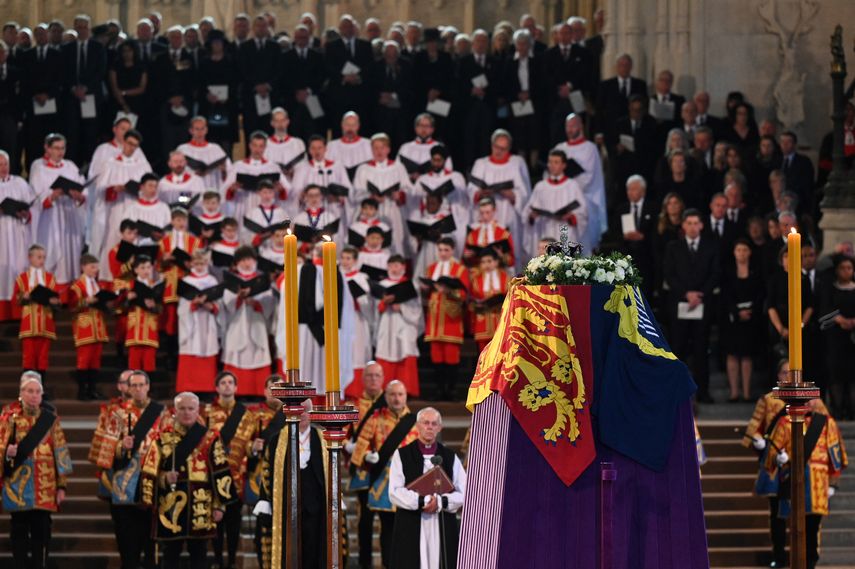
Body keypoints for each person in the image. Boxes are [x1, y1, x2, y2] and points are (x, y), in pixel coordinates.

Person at [141, 392, 235, 569]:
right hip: (170, 506)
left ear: (197, 410)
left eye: (190, 408)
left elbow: (222, 473)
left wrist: (219, 505)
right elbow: (148, 473)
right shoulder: (160, 439)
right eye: (182, 408)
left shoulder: (210, 438)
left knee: (199, 555)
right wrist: (164, 478)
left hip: (201, 504)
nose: (186, 412)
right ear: (174, 411)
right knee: (170, 555)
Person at [0, 372, 72, 569]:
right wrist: (8, 452)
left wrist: (61, 486)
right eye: (29, 391)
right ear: (21, 393)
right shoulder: (8, 417)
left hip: (45, 486)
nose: (33, 395)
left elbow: (61, 451)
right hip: (17, 486)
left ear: (42, 395)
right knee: (19, 531)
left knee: (42, 532)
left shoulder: (50, 420)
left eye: (37, 392)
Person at [765, 398, 848, 569]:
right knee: (791, 524)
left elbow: (835, 452)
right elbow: (772, 452)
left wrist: (833, 482)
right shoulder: (785, 422)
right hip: (792, 478)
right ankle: (784, 558)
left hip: (818, 480)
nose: (809, 403)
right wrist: (778, 458)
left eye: (812, 399)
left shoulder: (826, 423)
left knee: (812, 526)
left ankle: (810, 562)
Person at [351, 380, 420, 569]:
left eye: (400, 394)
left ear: (406, 396)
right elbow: (361, 444)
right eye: (392, 395)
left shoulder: (416, 423)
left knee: (399, 530)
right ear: (386, 396)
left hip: (406, 485)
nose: (396, 399)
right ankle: (375, 564)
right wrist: (366, 455)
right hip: (379, 482)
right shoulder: (375, 418)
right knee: (376, 526)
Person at [255, 398, 328, 569]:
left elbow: (332, 471)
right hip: (285, 507)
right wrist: (265, 499)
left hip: (315, 508)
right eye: (297, 410)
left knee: (314, 549)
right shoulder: (276, 440)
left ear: (312, 413)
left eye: (305, 410)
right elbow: (266, 470)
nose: (301, 414)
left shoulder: (323, 439)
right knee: (290, 551)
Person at [389, 407, 466, 569]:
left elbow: (465, 492)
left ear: (440, 428)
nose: (429, 427)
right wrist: (422, 501)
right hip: (411, 523)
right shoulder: (402, 455)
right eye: (425, 423)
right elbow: (394, 492)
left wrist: (440, 502)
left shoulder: (450, 457)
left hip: (442, 522)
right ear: (417, 426)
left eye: (434, 423)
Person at [663, 209, 720, 403]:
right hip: (680, 304)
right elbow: (669, 275)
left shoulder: (711, 247)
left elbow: (715, 274)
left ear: (702, 225)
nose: (693, 227)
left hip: (703, 304)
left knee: (701, 349)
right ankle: (678, 390)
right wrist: (686, 294)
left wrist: (699, 294)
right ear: (683, 226)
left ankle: (703, 391)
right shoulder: (673, 247)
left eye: (696, 223)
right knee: (678, 347)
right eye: (689, 223)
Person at [109, 370, 164, 569]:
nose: (139, 389)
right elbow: (104, 451)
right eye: (134, 385)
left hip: (154, 487)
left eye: (142, 385)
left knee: (152, 551)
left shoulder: (163, 414)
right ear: (128, 388)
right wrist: (121, 446)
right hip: (125, 488)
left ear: (148, 387)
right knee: (128, 549)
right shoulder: (117, 414)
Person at [201, 371, 255, 569]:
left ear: (236, 387)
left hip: (238, 476)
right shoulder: (206, 412)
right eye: (222, 382)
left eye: (230, 382)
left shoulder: (247, 415)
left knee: (234, 521)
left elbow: (250, 445)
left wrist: (252, 449)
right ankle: (217, 560)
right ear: (216, 388)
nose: (226, 385)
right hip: (214, 475)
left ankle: (232, 560)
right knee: (216, 520)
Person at [743, 359, 789, 568]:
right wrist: (758, 440)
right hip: (775, 464)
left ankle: (805, 557)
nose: (788, 377)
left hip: (801, 463)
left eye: (792, 372)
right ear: (778, 375)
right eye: (784, 373)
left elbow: (823, 428)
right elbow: (754, 428)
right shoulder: (769, 400)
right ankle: (779, 555)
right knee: (777, 513)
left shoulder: (810, 400)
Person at [29, 133, 87, 288]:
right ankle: (52, 293)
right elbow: (36, 194)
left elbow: (83, 190)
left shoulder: (70, 166)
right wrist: (52, 195)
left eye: (63, 148)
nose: (60, 152)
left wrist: (79, 196)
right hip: (51, 218)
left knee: (70, 254)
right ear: (46, 148)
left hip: (69, 216)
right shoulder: (38, 166)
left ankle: (70, 295)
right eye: (56, 148)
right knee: (53, 252)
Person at [344, 362, 386, 568]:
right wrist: (351, 448)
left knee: (388, 520)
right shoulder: (353, 406)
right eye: (369, 376)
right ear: (363, 379)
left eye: (377, 376)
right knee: (365, 520)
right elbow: (341, 437)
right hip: (363, 469)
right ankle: (364, 563)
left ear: (383, 378)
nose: (373, 379)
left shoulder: (391, 402)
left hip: (387, 469)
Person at [222, 246, 276, 396]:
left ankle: (259, 391)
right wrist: (239, 297)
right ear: (237, 263)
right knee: (236, 351)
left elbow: (269, 301)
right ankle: (237, 391)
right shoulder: (232, 281)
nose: (247, 263)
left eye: (250, 260)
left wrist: (256, 302)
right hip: (237, 323)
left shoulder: (262, 281)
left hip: (256, 323)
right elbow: (228, 303)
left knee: (258, 353)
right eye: (243, 260)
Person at [422, 238, 470, 400]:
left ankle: (451, 390)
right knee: (436, 358)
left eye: (446, 250)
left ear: (452, 251)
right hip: (435, 319)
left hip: (451, 319)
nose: (443, 253)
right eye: (440, 250)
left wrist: (449, 290)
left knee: (451, 358)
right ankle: (439, 390)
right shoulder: (431, 268)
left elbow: (463, 294)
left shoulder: (460, 269)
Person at [553, 114, 606, 253]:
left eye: (573, 125)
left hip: (583, 201)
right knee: (562, 245)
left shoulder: (590, 148)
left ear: (581, 126)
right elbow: (551, 173)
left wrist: (567, 187)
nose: (570, 129)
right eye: (568, 126)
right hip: (561, 203)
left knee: (583, 248)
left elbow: (589, 177)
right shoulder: (559, 148)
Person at [352, 133, 412, 255]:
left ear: (388, 149)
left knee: (395, 240)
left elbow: (409, 190)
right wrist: (370, 196)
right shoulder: (363, 168)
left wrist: (399, 195)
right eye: (376, 148)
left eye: (382, 147)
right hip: (371, 211)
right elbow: (356, 192)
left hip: (392, 209)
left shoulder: (398, 167)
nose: (379, 151)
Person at [721, 239, 765, 401]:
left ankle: (746, 393)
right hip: (732, 319)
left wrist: (750, 310)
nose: (741, 253)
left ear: (750, 252)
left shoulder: (756, 270)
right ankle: (734, 392)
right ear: (734, 252)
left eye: (744, 250)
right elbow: (725, 294)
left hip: (751, 318)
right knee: (732, 354)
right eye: (738, 250)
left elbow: (760, 292)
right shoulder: (728, 271)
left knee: (747, 355)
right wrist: (736, 311)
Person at [523, 149, 588, 258]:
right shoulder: (541, 187)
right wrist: (532, 216)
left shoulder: (572, 185)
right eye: (550, 162)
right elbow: (528, 211)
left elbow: (583, 212)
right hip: (546, 228)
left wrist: (572, 216)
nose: (552, 165)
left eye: (556, 162)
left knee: (564, 262)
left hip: (565, 229)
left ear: (564, 165)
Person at [374, 255, 422, 396]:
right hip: (387, 323)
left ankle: (406, 390)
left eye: (397, 265)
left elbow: (416, 309)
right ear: (387, 267)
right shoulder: (382, 284)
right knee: (386, 352)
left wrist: (401, 308)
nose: (394, 268)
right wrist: (383, 303)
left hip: (404, 324)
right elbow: (374, 308)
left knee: (404, 352)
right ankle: (384, 389)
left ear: (403, 267)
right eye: (392, 265)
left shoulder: (411, 285)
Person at [176, 250, 222, 393]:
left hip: (208, 321)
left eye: (202, 263)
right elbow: (182, 308)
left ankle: (207, 389)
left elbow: (220, 304)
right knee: (190, 352)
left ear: (206, 263)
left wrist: (211, 306)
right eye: (196, 263)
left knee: (208, 350)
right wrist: (193, 304)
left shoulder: (212, 281)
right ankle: (188, 388)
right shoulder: (186, 282)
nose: (199, 266)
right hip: (192, 325)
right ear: (191, 264)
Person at [14, 245, 59, 381]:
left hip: (46, 322)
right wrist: (24, 296)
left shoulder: (50, 278)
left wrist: (54, 301)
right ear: (30, 258)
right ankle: (27, 388)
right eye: (39, 257)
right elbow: (16, 299)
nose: (42, 260)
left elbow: (56, 298)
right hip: (29, 323)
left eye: (44, 257)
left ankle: (41, 390)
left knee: (43, 358)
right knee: (29, 357)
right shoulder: (22, 279)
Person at [68, 253, 109, 400]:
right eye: (92, 267)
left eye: (96, 268)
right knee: (84, 359)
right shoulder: (77, 286)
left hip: (97, 325)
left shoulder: (97, 284)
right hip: (84, 326)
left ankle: (92, 390)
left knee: (95, 360)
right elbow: (72, 305)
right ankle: (82, 391)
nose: (95, 270)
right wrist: (86, 301)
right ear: (83, 267)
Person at [0, 150, 35, 320]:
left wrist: (25, 214)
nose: (3, 168)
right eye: (0, 164)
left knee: (18, 266)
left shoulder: (20, 183)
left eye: (5, 164)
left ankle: (17, 310)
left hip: (17, 232)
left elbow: (32, 207)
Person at [820, 254, 855, 420]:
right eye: (842, 268)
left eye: (849, 268)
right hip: (835, 339)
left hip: (853, 339)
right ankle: (837, 408)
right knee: (836, 374)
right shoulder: (830, 289)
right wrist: (838, 318)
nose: (846, 271)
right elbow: (824, 311)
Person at [341, 247, 375, 395]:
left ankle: (357, 391)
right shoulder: (336, 275)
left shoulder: (362, 278)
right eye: (343, 258)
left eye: (348, 258)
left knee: (357, 352)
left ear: (355, 260)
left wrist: (358, 299)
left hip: (357, 319)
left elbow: (367, 302)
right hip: (341, 320)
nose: (345, 261)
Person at [120, 255, 162, 371]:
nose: (146, 271)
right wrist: (128, 299)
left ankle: (148, 388)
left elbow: (161, 308)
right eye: (142, 268)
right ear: (136, 270)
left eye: (148, 267)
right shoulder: (129, 285)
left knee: (149, 362)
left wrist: (154, 306)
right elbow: (120, 308)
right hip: (135, 328)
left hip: (150, 328)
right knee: (134, 362)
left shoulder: (156, 285)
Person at [177, 116, 231, 191]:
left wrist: (223, 170)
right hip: (189, 190)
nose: (200, 132)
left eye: (202, 129)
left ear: (206, 130)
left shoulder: (216, 149)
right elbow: (176, 171)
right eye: (197, 129)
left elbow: (229, 170)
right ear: (191, 130)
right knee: (184, 202)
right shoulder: (183, 149)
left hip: (211, 192)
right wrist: (193, 174)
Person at [470, 249, 510, 352]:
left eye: (489, 261)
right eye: (483, 262)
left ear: (496, 262)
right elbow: (472, 300)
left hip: (501, 321)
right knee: (483, 354)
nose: (486, 265)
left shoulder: (506, 278)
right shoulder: (476, 280)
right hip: (482, 322)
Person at [327, 111, 373, 181]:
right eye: (347, 125)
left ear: (358, 126)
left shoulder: (368, 144)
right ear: (342, 125)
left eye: (353, 125)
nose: (350, 128)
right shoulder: (331, 146)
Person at [264, 107, 306, 180]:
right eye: (277, 121)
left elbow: (304, 166)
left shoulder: (298, 143)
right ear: (272, 123)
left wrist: (293, 172)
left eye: (283, 120)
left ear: (288, 121)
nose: (280, 124)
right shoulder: (265, 144)